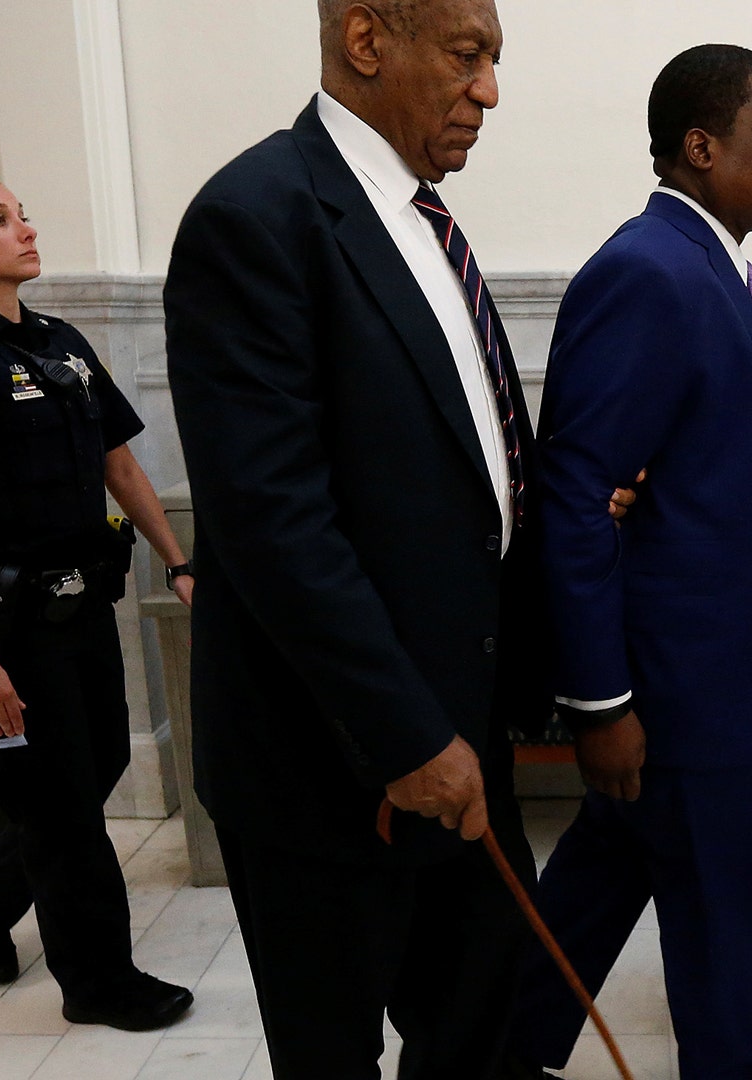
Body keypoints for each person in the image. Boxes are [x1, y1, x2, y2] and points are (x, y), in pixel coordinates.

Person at [161, 3, 624, 1076]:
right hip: (333, 767)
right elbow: (274, 519)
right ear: (367, 42)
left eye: (494, 61)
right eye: (468, 57)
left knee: (479, 1029)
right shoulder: (257, 214)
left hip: (466, 740)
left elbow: (451, 467)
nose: (490, 92)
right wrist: (407, 738)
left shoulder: (427, 224)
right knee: (333, 1056)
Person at [506, 45, 752, 1080]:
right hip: (686, 701)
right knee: (724, 970)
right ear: (702, 147)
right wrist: (600, 704)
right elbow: (575, 490)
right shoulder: (649, 272)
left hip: (712, 686)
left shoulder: (708, 266)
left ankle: (489, 1057)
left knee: (597, 891)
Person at [0, 171, 196, 1030]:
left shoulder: (60, 339)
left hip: (76, 605)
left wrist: (178, 561)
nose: (24, 228)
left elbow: (121, 463)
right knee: (59, 810)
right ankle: (99, 984)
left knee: (96, 770)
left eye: (22, 214)